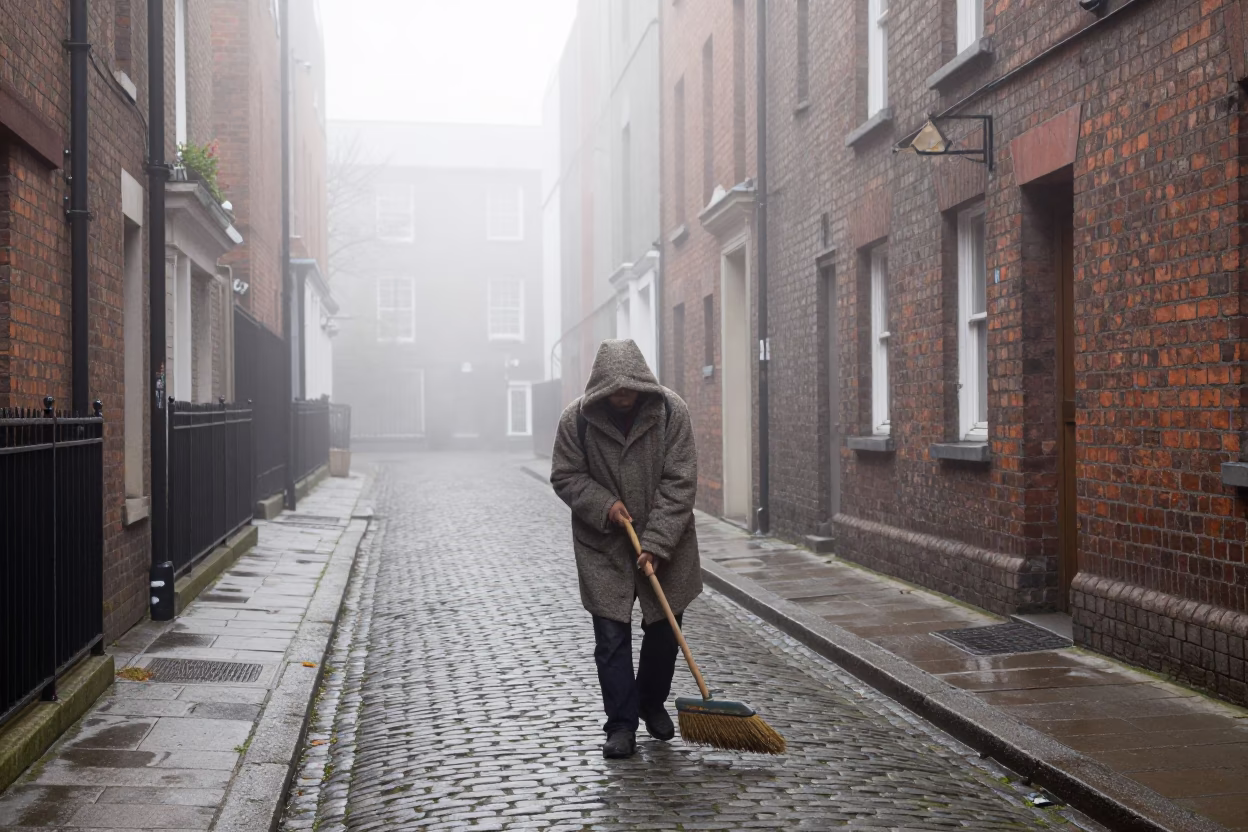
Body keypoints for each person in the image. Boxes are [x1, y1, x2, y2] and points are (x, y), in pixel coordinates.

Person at [550, 339, 702, 759]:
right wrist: (604, 504)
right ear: (598, 388)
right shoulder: (575, 421)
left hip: (667, 541)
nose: (622, 396)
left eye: (629, 388)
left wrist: (656, 544)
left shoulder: (671, 412)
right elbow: (565, 475)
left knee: (663, 634)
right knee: (610, 639)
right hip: (603, 545)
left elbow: (680, 481)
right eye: (613, 390)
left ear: (642, 382)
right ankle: (621, 725)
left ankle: (651, 701)